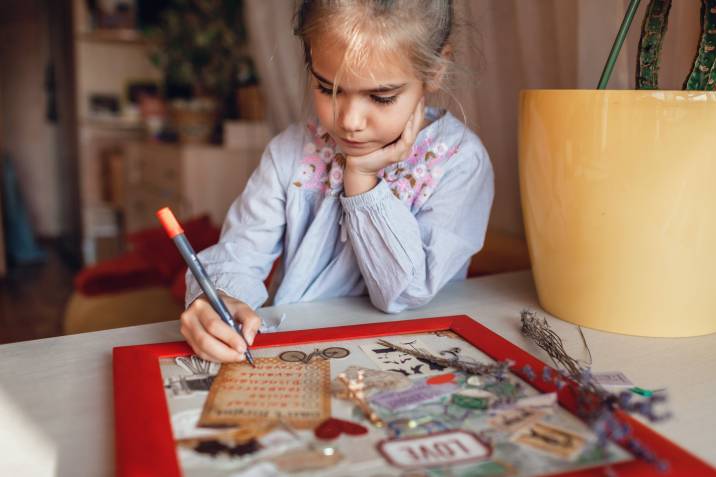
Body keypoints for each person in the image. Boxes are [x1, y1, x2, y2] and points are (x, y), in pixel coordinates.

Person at [180, 0, 494, 363]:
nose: (349, 121)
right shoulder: (291, 151)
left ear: (436, 69)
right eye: (328, 89)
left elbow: (403, 294)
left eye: (381, 96)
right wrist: (216, 299)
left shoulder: (459, 161)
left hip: (410, 360)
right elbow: (238, 255)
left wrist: (361, 180)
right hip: (299, 356)